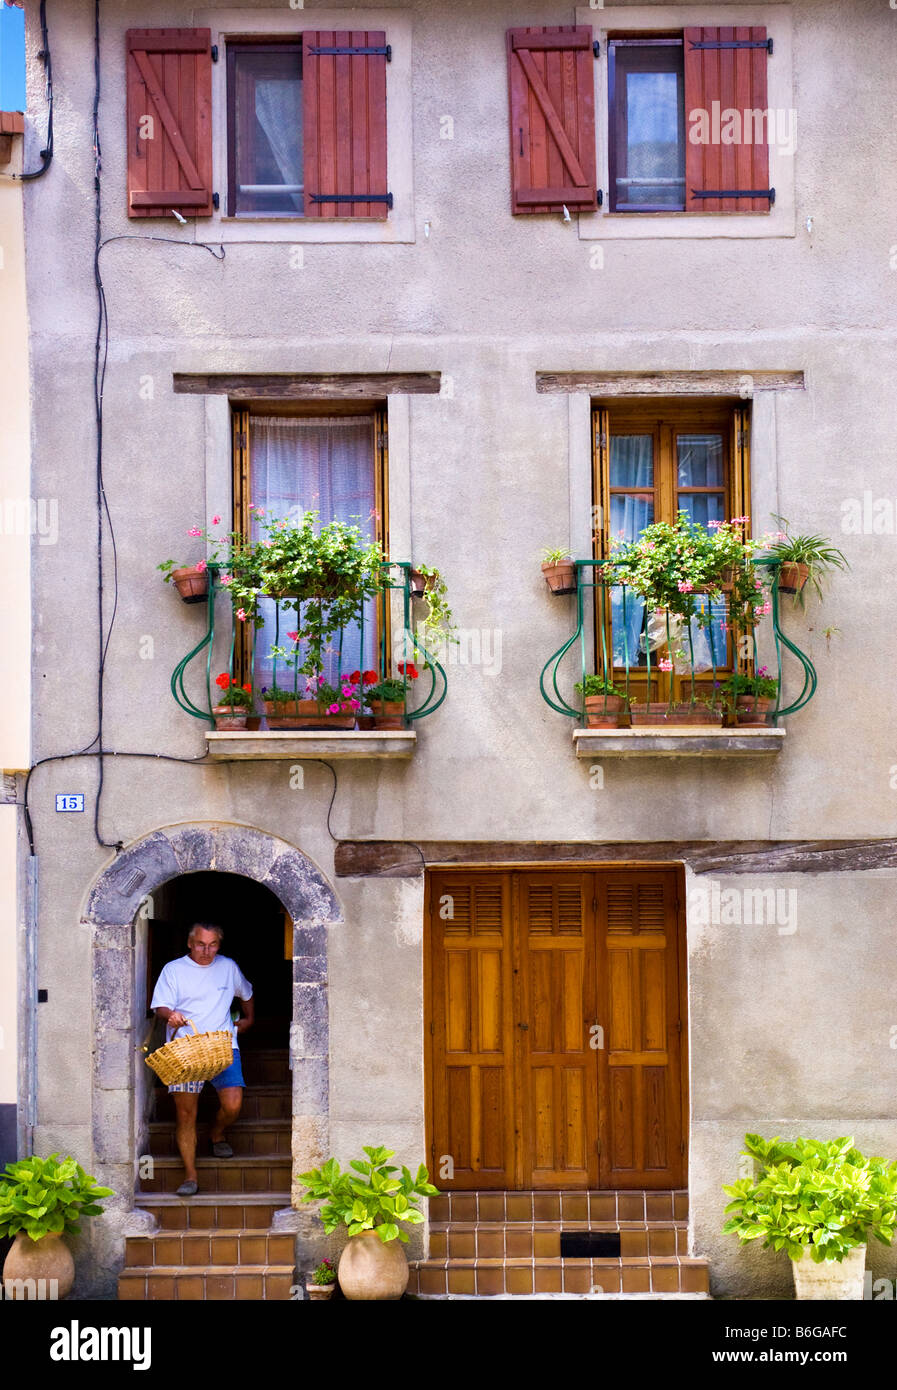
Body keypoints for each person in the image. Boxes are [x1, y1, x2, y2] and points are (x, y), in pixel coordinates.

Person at [151, 922, 254, 1197]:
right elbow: (160, 1005)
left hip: (223, 1047)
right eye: (200, 944)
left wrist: (248, 1019)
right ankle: (190, 1176)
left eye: (212, 945)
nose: (206, 951)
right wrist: (169, 1014)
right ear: (189, 942)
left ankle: (216, 1132)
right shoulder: (173, 970)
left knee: (233, 1106)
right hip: (184, 1051)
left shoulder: (228, 966)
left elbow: (247, 993)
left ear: (219, 945)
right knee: (186, 1115)